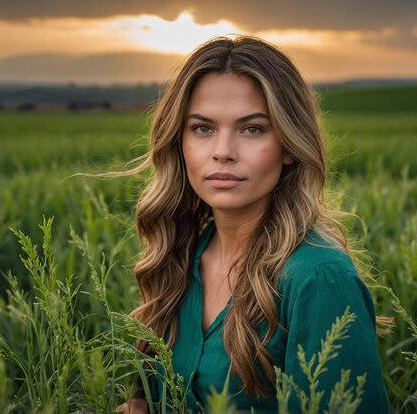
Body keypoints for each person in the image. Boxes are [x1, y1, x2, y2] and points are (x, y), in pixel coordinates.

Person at [115, 35, 390, 413]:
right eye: (202, 128)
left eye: (252, 129)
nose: (223, 151)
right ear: (179, 142)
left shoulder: (320, 280)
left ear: (291, 146)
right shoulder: (183, 253)